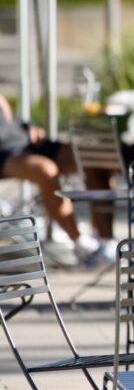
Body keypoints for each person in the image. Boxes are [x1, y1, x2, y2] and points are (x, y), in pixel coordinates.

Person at [0, 95, 114, 266]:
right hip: (4, 152)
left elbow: (10, 122)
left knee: (91, 155)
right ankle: (81, 244)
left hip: (27, 142)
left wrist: (28, 128)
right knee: (46, 170)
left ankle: (106, 242)